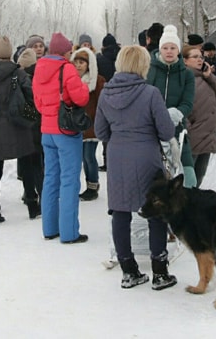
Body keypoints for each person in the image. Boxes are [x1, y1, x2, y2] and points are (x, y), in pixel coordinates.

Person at [94, 45, 178, 290]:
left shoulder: (105, 93)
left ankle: (129, 270)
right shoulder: (150, 93)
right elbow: (166, 131)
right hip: (147, 157)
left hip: (118, 157)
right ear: (142, 65)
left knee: (120, 212)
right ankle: (160, 272)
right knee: (155, 212)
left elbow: (100, 131)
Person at [0, 36, 43, 225]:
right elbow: (31, 96)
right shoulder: (17, 73)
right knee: (27, 166)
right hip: (18, 125)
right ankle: (32, 205)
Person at [32, 32, 90, 244]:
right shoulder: (67, 69)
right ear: (66, 51)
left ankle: (50, 228)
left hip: (46, 130)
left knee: (50, 179)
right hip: (66, 132)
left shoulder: (39, 68)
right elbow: (81, 97)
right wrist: (82, 86)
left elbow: (38, 103)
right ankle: (69, 232)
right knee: (69, 180)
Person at [146, 24, 197, 188]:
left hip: (177, 130)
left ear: (178, 50)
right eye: (165, 47)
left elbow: (188, 102)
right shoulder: (149, 70)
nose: (169, 51)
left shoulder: (187, 74)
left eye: (173, 47)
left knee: (189, 178)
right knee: (155, 177)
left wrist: (177, 113)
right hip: (151, 131)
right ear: (160, 48)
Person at [182, 45, 216, 187]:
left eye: (201, 57)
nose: (199, 60)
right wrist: (189, 128)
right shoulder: (183, 79)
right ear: (185, 61)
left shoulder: (205, 78)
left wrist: (210, 76)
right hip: (193, 138)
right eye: (194, 57)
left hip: (207, 139)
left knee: (198, 180)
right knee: (188, 182)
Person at [71, 47, 105, 201]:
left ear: (89, 64)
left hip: (92, 124)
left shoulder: (97, 81)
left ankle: (93, 185)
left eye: (82, 62)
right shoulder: (71, 81)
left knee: (89, 156)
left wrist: (100, 122)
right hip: (77, 125)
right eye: (76, 62)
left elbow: (102, 103)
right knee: (82, 157)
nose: (78, 66)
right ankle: (89, 184)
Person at [16, 47, 44, 204]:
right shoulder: (40, 77)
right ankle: (42, 195)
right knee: (38, 164)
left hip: (23, 126)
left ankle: (30, 196)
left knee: (27, 164)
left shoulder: (18, 78)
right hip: (38, 125)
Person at [96, 33, 121, 172]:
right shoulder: (120, 56)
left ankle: (107, 161)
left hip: (105, 96)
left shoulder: (100, 59)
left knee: (106, 130)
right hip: (121, 96)